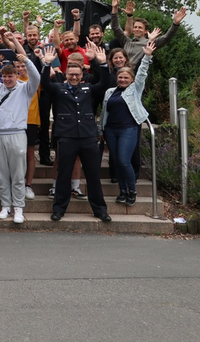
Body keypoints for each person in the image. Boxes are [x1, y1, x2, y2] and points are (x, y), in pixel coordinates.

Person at [40, 44, 112, 223]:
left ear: (81, 76)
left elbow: (104, 83)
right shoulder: (59, 89)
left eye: (77, 75)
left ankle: (100, 210)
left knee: (93, 175)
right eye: (71, 74)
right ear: (66, 75)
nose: (73, 77)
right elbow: (45, 83)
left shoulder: (88, 89)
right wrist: (47, 65)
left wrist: (100, 63)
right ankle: (59, 209)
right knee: (64, 175)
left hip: (88, 138)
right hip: (67, 137)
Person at [0, 33, 40, 224]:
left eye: (10, 76)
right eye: (4, 76)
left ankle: (18, 208)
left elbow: (36, 76)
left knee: (17, 173)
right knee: (0, 173)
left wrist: (26, 61)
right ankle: (6, 206)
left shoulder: (25, 88)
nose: (7, 79)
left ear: (16, 75)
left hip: (17, 134)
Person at [101, 41, 156, 207]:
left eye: (126, 77)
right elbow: (105, 112)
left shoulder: (135, 89)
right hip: (111, 130)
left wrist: (147, 56)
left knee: (125, 160)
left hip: (128, 129)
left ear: (131, 79)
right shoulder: (110, 92)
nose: (123, 79)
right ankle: (122, 191)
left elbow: (142, 73)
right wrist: (101, 129)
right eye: (120, 77)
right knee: (117, 161)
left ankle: (132, 190)